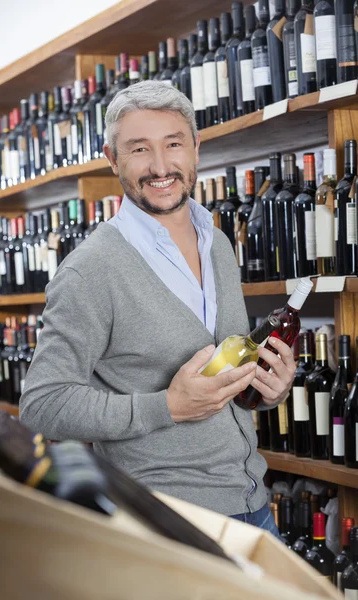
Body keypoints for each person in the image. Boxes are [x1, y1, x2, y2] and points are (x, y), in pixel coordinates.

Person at [20, 81, 295, 534]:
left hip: (253, 504)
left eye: (173, 144)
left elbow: (224, 380)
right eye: (139, 149)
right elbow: (42, 404)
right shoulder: (90, 270)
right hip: (164, 519)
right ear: (112, 158)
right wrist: (167, 406)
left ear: (195, 147)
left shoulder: (218, 244)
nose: (161, 166)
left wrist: (268, 390)